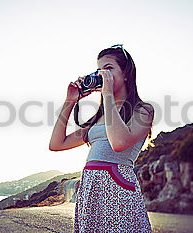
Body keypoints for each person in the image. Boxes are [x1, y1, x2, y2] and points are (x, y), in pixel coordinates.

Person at [49, 44, 154, 232]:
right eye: (99, 70)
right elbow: (56, 144)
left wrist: (107, 94)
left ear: (126, 74)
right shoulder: (99, 118)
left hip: (117, 187)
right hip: (91, 189)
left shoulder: (142, 110)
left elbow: (119, 143)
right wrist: (70, 101)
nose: (102, 75)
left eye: (109, 69)